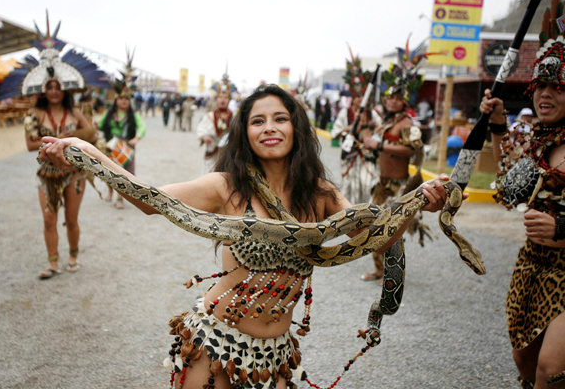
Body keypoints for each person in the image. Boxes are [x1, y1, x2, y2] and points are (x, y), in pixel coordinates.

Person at [39, 84, 452, 389]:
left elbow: (375, 237)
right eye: (258, 121)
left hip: (274, 356)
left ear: (296, 128)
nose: (269, 128)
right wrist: (82, 149)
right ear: (245, 133)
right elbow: (151, 199)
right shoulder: (227, 186)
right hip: (215, 346)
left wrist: (420, 203)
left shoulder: (322, 195)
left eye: (279, 118)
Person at [480, 0, 565, 388]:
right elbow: (510, 186)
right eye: (541, 86)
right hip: (533, 266)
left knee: (552, 368)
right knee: (525, 361)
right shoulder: (539, 140)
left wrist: (559, 228)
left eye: (557, 87)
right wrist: (498, 122)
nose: (545, 95)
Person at [0, 13, 110, 279]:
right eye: (50, 87)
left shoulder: (75, 111)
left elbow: (92, 132)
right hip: (46, 174)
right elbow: (29, 144)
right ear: (43, 89)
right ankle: (52, 263)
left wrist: (74, 134)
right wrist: (53, 144)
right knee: (48, 218)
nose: (55, 91)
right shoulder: (33, 114)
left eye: (59, 86)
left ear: (65, 89)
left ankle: (73, 255)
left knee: (71, 219)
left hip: (73, 174)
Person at [360, 37, 439, 282]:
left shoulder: (407, 123)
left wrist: (381, 144)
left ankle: (393, 272)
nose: (392, 100)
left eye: (397, 97)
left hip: (399, 186)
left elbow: (414, 149)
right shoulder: (388, 122)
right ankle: (380, 270)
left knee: (392, 231)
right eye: (389, 96)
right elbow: (370, 141)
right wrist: (364, 128)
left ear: (405, 99)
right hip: (382, 184)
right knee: (374, 227)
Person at [331, 47, 379, 206]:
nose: (359, 100)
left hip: (367, 158)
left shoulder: (373, 113)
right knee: (348, 191)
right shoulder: (345, 113)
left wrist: (369, 125)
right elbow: (334, 133)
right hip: (350, 157)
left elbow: (381, 132)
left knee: (367, 187)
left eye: (362, 96)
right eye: (357, 96)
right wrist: (350, 128)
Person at [98, 53, 146, 209]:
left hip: (128, 147)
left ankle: (120, 197)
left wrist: (136, 139)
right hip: (111, 146)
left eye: (127, 98)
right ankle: (111, 191)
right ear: (116, 99)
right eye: (121, 98)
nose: (124, 101)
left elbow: (142, 127)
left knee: (125, 174)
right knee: (110, 172)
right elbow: (100, 125)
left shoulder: (134, 115)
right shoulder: (109, 113)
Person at [196, 73, 235, 175]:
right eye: (220, 97)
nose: (223, 99)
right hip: (212, 152)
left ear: (229, 100)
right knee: (209, 175)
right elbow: (201, 129)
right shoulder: (209, 116)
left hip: (228, 154)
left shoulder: (235, 117)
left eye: (226, 97)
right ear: (216, 99)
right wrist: (204, 136)